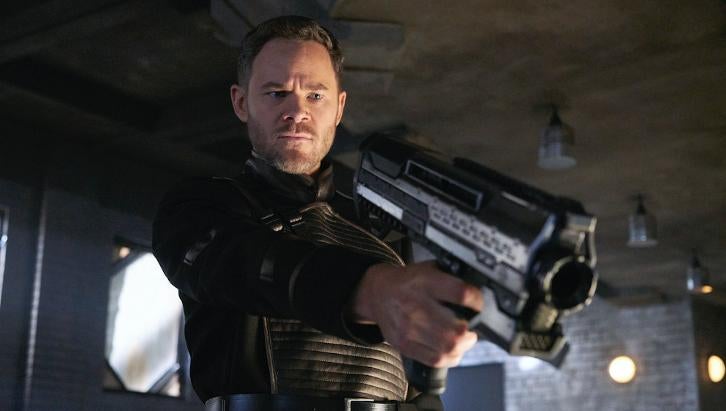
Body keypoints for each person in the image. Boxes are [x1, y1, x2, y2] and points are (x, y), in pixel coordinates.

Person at [152, 15, 484, 411]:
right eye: (277, 93)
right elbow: (242, 262)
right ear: (241, 103)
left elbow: (414, 382)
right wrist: (372, 290)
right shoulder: (198, 207)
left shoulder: (383, 231)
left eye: (315, 95)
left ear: (339, 107)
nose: (297, 111)